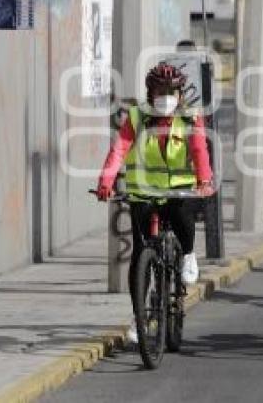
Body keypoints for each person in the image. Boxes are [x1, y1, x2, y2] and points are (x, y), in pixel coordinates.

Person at [96, 62, 215, 343]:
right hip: (144, 193)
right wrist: (106, 181)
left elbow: (199, 150)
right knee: (141, 253)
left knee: (182, 216)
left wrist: (204, 181)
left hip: (178, 193)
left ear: (180, 92)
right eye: (159, 90)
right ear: (150, 92)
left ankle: (187, 254)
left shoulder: (189, 117)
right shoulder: (138, 116)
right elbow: (119, 149)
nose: (165, 96)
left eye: (171, 90)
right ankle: (139, 319)